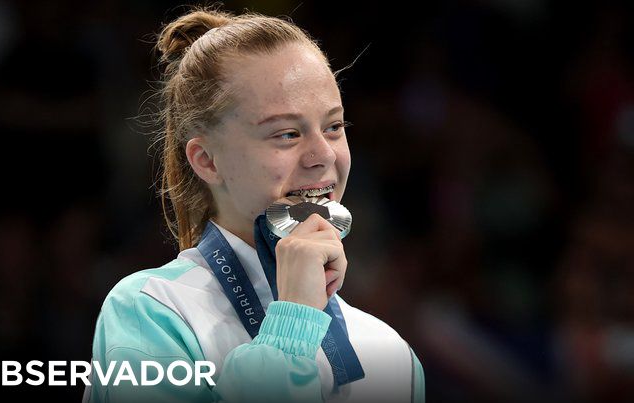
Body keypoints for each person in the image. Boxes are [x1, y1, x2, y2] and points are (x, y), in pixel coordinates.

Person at [83, 6, 425, 403]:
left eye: (333, 126)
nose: (323, 155)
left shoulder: (390, 353)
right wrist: (294, 323)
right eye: (286, 134)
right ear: (207, 160)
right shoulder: (152, 313)